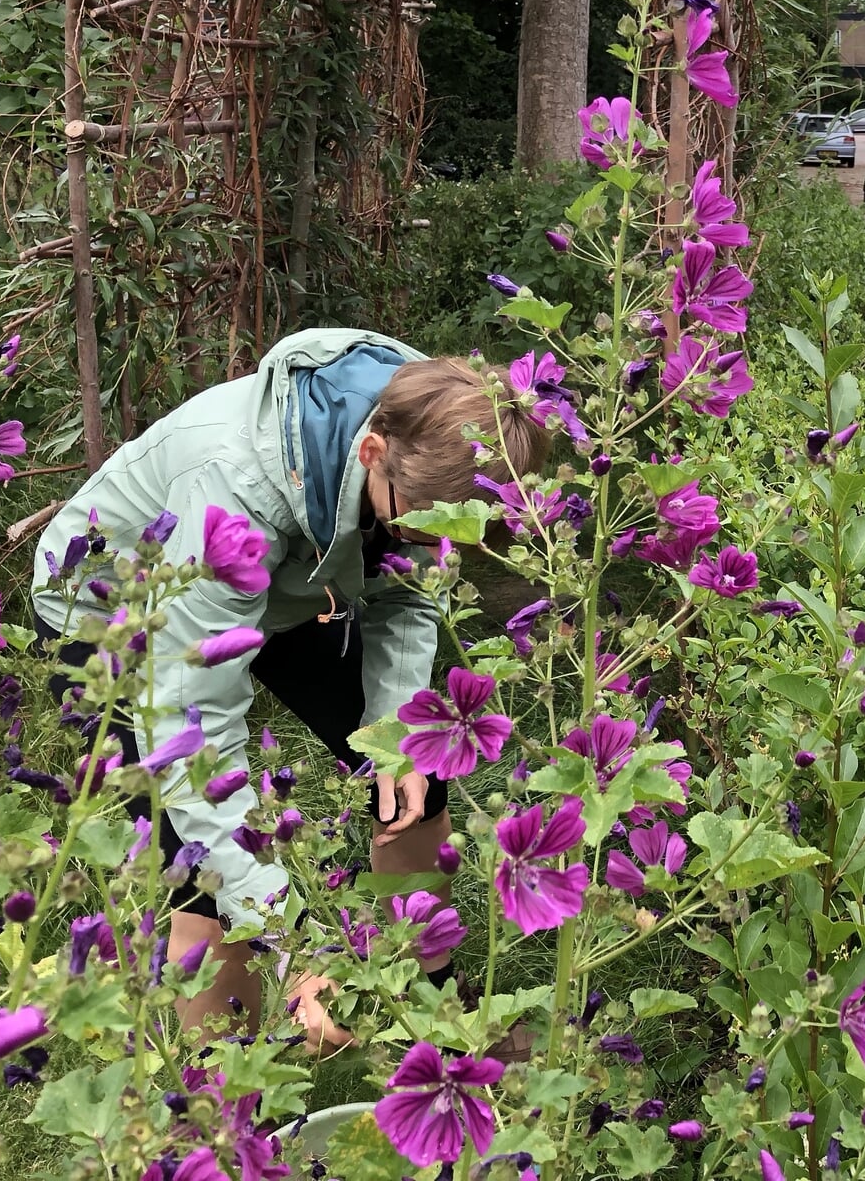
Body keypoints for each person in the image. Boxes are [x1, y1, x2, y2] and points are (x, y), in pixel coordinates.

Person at [31, 328, 549, 1050]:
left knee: (414, 774)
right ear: (372, 452)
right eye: (422, 528)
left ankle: (432, 1017)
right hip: (122, 606)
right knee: (203, 870)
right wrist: (292, 938)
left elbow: (406, 593)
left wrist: (397, 734)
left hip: (293, 580)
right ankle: (224, 1094)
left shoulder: (431, 420)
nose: (438, 547)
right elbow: (195, 740)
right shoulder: (235, 486)